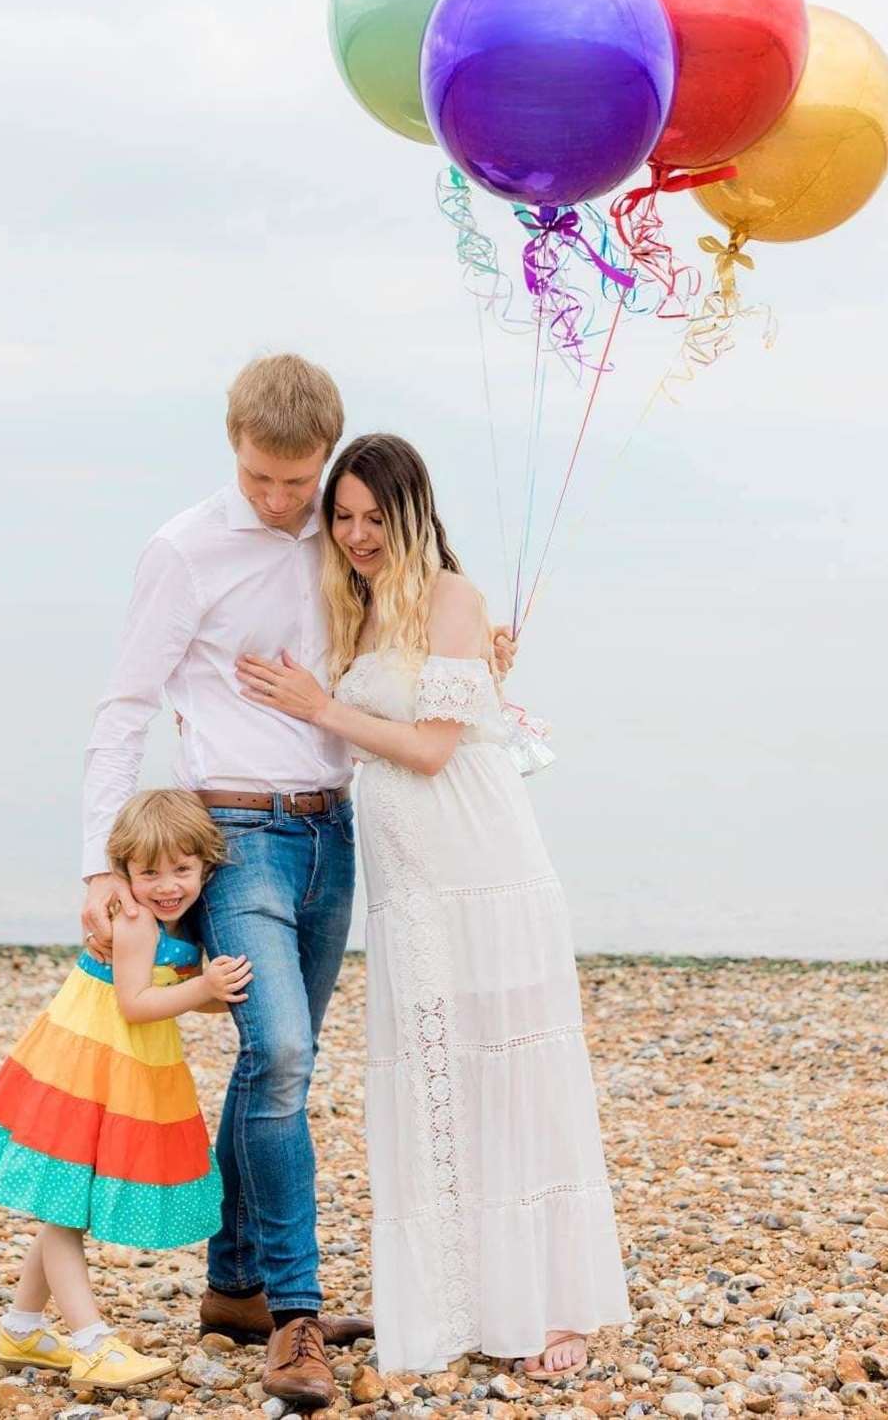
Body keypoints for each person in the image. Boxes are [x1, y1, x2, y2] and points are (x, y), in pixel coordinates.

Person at [237, 433, 631, 1377]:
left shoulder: (451, 594)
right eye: (345, 516)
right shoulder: (357, 604)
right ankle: (455, 1297)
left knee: (510, 1070)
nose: (359, 533)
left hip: (479, 862)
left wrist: (315, 704)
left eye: (376, 516)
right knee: (432, 1074)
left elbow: (429, 748)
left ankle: (552, 1309)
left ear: (412, 512)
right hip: (408, 884)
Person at [79, 357, 373, 1406]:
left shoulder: (349, 532)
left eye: (298, 482)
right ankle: (297, 1316)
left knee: (275, 1064)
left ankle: (234, 1287)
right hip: (235, 832)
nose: (281, 501)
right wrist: (96, 866)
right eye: (261, 479)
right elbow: (125, 707)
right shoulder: (186, 548)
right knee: (282, 1049)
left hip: (334, 833)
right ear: (233, 445)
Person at [0, 790, 252, 1393]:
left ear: (205, 867)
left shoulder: (166, 919)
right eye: (149, 872)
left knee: (66, 1201)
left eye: (183, 870)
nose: (167, 885)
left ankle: (23, 1326)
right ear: (123, 869)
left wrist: (207, 991)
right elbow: (137, 1005)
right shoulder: (138, 920)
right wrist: (202, 990)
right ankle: (91, 1343)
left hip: (109, 1066)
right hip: (91, 1072)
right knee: (65, 1210)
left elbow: (163, 992)